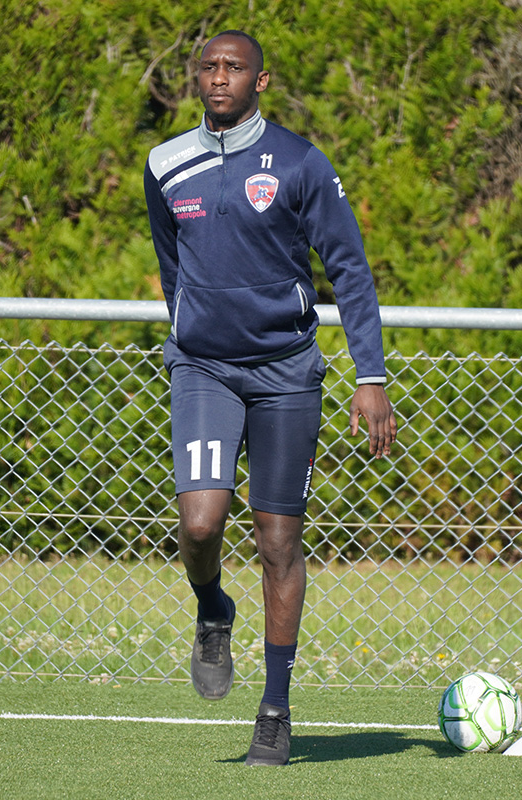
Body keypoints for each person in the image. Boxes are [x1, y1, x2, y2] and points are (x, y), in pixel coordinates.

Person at [143, 30, 397, 766]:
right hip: (204, 370)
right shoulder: (165, 164)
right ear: (198, 78)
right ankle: (212, 607)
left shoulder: (298, 162)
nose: (219, 78)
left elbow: (348, 269)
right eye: (209, 67)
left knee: (280, 542)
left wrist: (370, 374)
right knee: (200, 523)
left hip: (288, 373)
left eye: (235, 68)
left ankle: (275, 711)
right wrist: (195, 330)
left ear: (261, 80)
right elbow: (173, 268)